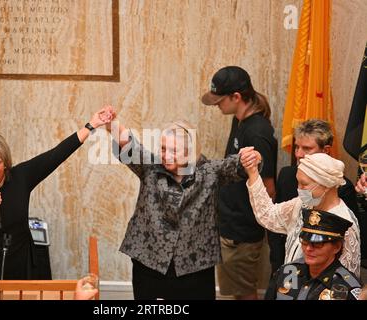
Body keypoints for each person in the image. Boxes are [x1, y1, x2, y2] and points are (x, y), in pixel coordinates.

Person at [101, 106, 261, 300]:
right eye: (162, 148)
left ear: (189, 151)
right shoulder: (150, 167)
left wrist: (253, 158)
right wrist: (112, 125)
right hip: (149, 263)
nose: (166, 155)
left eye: (173, 150)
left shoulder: (209, 172)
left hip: (194, 268)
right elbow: (129, 145)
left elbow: (241, 165)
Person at [0, 108, 112, 279]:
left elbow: (56, 155)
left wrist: (91, 125)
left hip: (20, 268)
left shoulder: (20, 177)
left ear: (5, 162)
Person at [201, 66, 277, 299]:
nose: (216, 106)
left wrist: (242, 226)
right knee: (237, 291)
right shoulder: (240, 119)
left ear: (236, 97)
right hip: (229, 225)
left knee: (244, 294)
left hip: (241, 233)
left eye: (219, 100)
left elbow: (268, 189)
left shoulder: (257, 133)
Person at [243, 152, 361, 276]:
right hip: (291, 285)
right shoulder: (302, 204)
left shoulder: (345, 223)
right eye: (298, 183)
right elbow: (268, 215)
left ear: (326, 185)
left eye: (304, 184)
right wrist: (253, 171)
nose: (299, 189)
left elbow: (346, 278)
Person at [271, 119, 360, 275]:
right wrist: (279, 265)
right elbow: (276, 226)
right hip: (285, 268)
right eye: (297, 147)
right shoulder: (286, 175)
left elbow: (342, 243)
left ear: (325, 150)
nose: (298, 154)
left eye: (306, 148)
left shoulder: (342, 188)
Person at [265, 209, 362, 300]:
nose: (308, 249)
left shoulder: (347, 287)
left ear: (336, 247)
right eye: (305, 242)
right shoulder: (288, 272)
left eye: (317, 244)